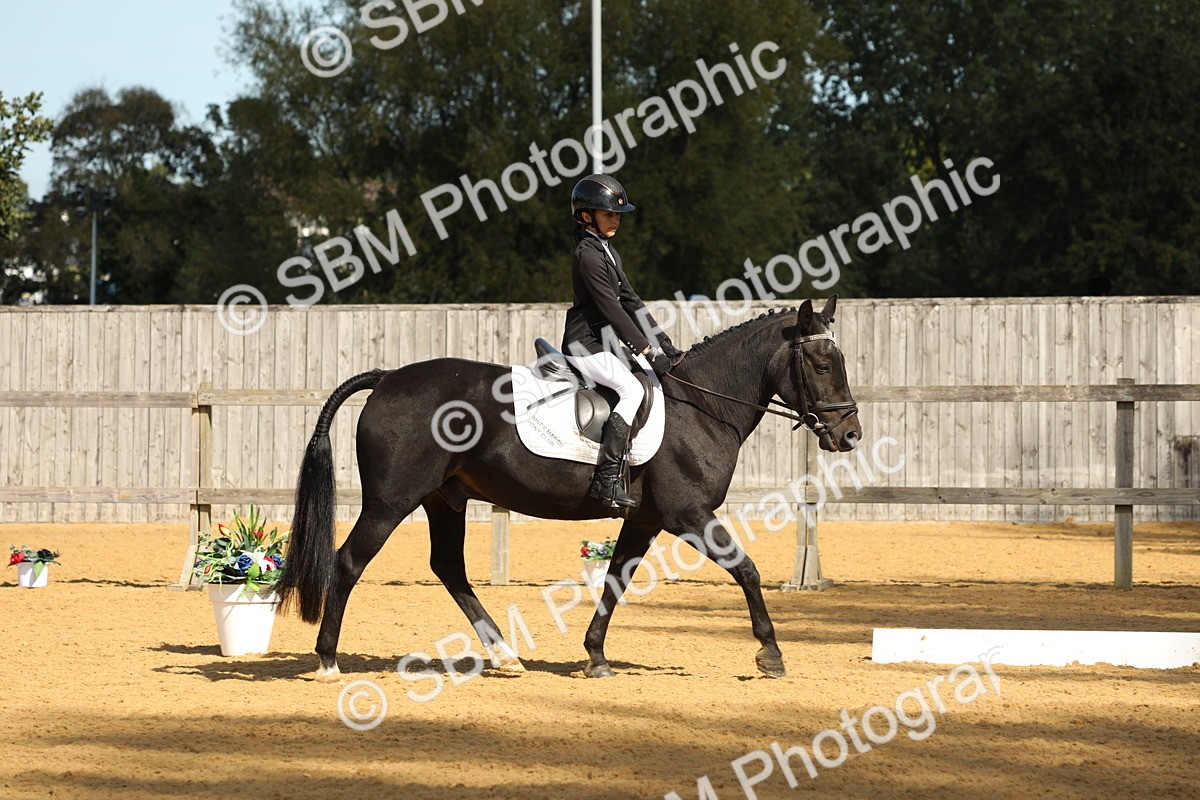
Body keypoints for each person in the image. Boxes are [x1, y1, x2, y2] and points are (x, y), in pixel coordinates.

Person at [562, 174, 683, 509]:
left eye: (617, 214)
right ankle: (607, 480)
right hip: (584, 345)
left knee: (647, 380)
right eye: (608, 214)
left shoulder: (608, 251)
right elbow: (611, 309)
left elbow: (631, 300)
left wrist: (664, 343)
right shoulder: (587, 255)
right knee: (631, 390)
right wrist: (647, 350)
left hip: (605, 344)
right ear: (586, 216)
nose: (615, 219)